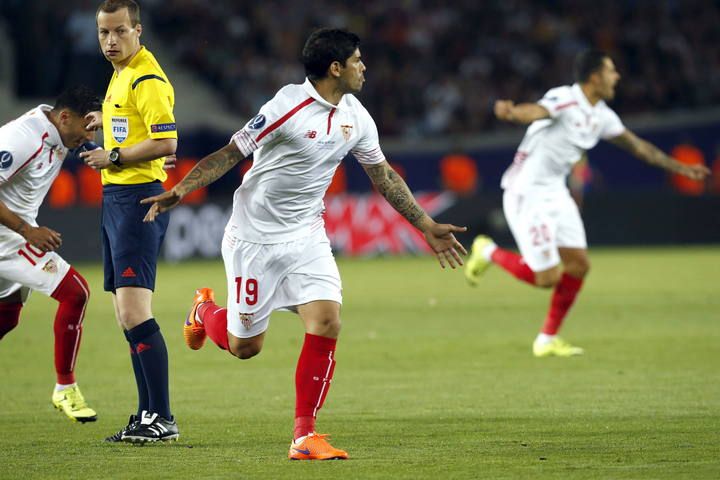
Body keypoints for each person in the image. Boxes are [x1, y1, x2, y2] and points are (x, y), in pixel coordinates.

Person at [141, 28, 467, 460]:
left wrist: (424, 224)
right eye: (357, 60)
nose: (364, 67)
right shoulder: (285, 106)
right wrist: (182, 189)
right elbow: (229, 153)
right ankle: (203, 310)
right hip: (254, 238)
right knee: (245, 347)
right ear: (336, 68)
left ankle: (304, 435)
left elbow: (383, 175)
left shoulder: (356, 115)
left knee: (327, 319)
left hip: (306, 235)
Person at [465, 50, 710, 357]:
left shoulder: (602, 115)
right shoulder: (566, 99)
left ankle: (546, 339)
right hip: (526, 192)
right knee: (547, 278)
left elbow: (638, 146)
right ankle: (487, 250)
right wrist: (513, 113)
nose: (617, 76)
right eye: (611, 71)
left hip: (556, 191)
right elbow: (538, 111)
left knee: (579, 265)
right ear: (594, 77)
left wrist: (680, 167)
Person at [79, 0, 178, 443]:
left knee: (136, 311)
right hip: (117, 198)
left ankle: (163, 417)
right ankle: (146, 414)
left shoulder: (147, 76)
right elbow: (136, 122)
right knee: (124, 315)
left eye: (120, 31)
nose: (110, 41)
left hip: (139, 200)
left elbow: (166, 142)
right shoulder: (121, 72)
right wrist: (109, 119)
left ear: (138, 30)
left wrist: (113, 154)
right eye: (103, 33)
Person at [0, 86, 99, 423]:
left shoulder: (62, 131)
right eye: (87, 127)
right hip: (8, 238)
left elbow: (90, 145)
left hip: (13, 234)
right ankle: (65, 388)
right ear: (65, 117)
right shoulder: (23, 138)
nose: (88, 136)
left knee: (7, 316)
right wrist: (28, 231)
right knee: (77, 293)